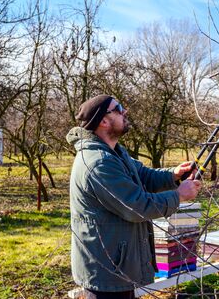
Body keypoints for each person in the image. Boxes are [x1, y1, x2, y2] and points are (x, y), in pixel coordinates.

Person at [66, 95, 202, 299]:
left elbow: (143, 176)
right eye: (118, 108)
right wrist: (178, 196)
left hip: (118, 264)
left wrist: (174, 174)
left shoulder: (114, 153)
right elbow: (136, 206)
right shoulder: (99, 163)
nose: (125, 112)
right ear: (104, 121)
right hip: (107, 272)